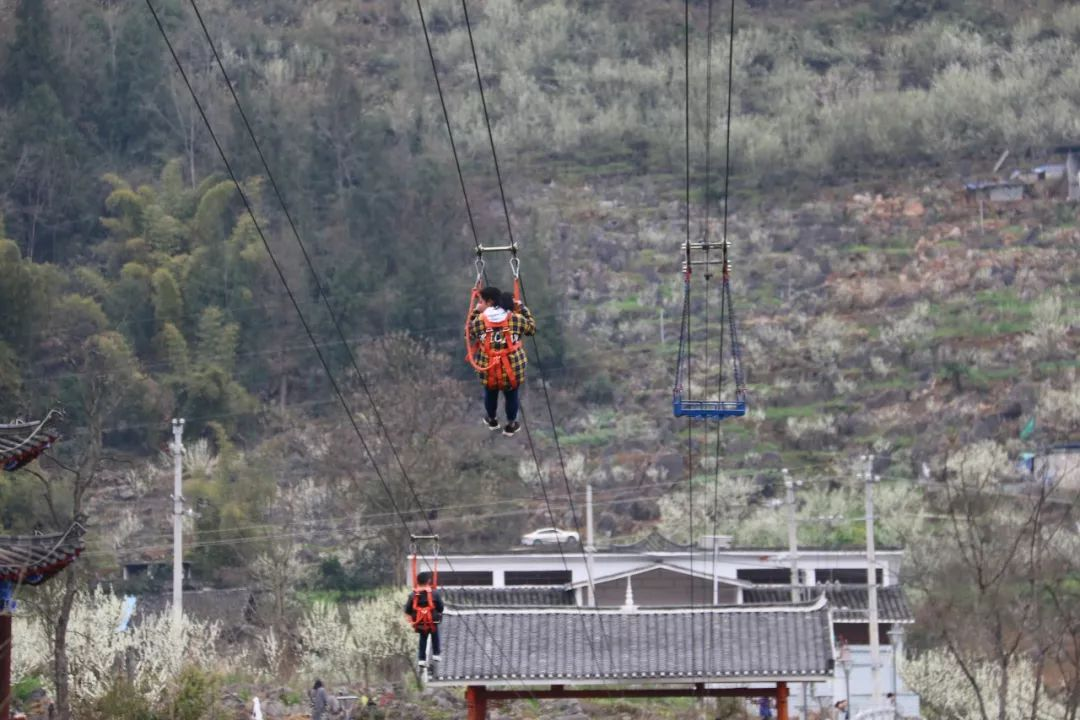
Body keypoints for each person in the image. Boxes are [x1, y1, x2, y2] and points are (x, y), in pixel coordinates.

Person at [468, 285, 536, 436]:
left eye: (482, 302)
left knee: (490, 392)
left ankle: (491, 418)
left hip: (488, 368)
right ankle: (511, 422)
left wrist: (475, 312)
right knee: (511, 394)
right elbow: (531, 329)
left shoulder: (480, 321)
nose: (481, 304)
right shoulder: (516, 320)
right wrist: (523, 309)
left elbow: (468, 335)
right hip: (512, 368)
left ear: (489, 302)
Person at [404, 570, 444, 668]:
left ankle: (421, 659)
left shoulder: (413, 595)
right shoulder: (434, 593)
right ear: (428, 581)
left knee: (423, 638)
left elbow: (408, 609)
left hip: (420, 621)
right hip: (432, 620)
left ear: (417, 581)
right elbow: (440, 607)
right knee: (435, 636)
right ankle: (436, 654)